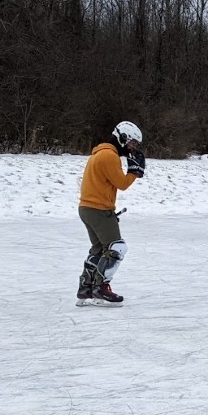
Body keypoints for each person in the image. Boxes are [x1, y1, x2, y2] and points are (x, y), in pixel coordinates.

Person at [76, 121, 146, 305]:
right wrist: (134, 172)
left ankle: (86, 288)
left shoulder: (100, 153)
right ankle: (101, 287)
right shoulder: (109, 156)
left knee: (99, 249)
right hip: (98, 209)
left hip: (87, 208)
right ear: (122, 138)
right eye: (132, 143)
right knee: (117, 247)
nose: (132, 149)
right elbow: (121, 183)